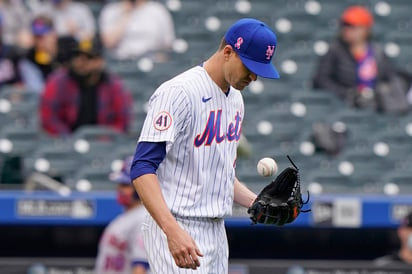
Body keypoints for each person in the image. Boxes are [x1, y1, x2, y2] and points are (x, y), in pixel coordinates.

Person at [130, 18, 280, 273]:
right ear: (228, 52)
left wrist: (256, 202)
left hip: (216, 229)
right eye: (249, 67)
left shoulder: (236, 100)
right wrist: (172, 231)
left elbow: (219, 173)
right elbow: (142, 168)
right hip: (178, 223)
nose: (254, 77)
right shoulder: (178, 92)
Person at [312, 5, 408, 112]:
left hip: (375, 104)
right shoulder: (335, 51)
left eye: (352, 26)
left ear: (365, 29)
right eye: (344, 25)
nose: (346, 29)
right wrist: (347, 93)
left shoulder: (377, 52)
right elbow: (321, 80)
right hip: (345, 105)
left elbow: (389, 77)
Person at [40, 37, 132, 137]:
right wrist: (69, 139)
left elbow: (122, 119)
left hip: (105, 145)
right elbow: (48, 117)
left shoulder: (113, 85)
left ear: (100, 61)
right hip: (66, 145)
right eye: (77, 56)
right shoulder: (58, 82)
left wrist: (104, 139)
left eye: (88, 58)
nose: (81, 62)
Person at [95, 156, 150, 274]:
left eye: (125, 185)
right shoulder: (125, 217)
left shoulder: (144, 218)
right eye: (120, 184)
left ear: (139, 187)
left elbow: (140, 267)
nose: (119, 189)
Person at [99, 0, 175, 61]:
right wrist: (126, 14)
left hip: (151, 61)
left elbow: (167, 44)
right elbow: (108, 43)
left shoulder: (158, 10)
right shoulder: (110, 11)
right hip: (122, 62)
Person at [19, 16, 58, 93]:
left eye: (42, 36)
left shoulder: (65, 49)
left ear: (53, 35)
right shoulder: (29, 57)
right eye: (36, 36)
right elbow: (37, 90)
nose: (38, 41)